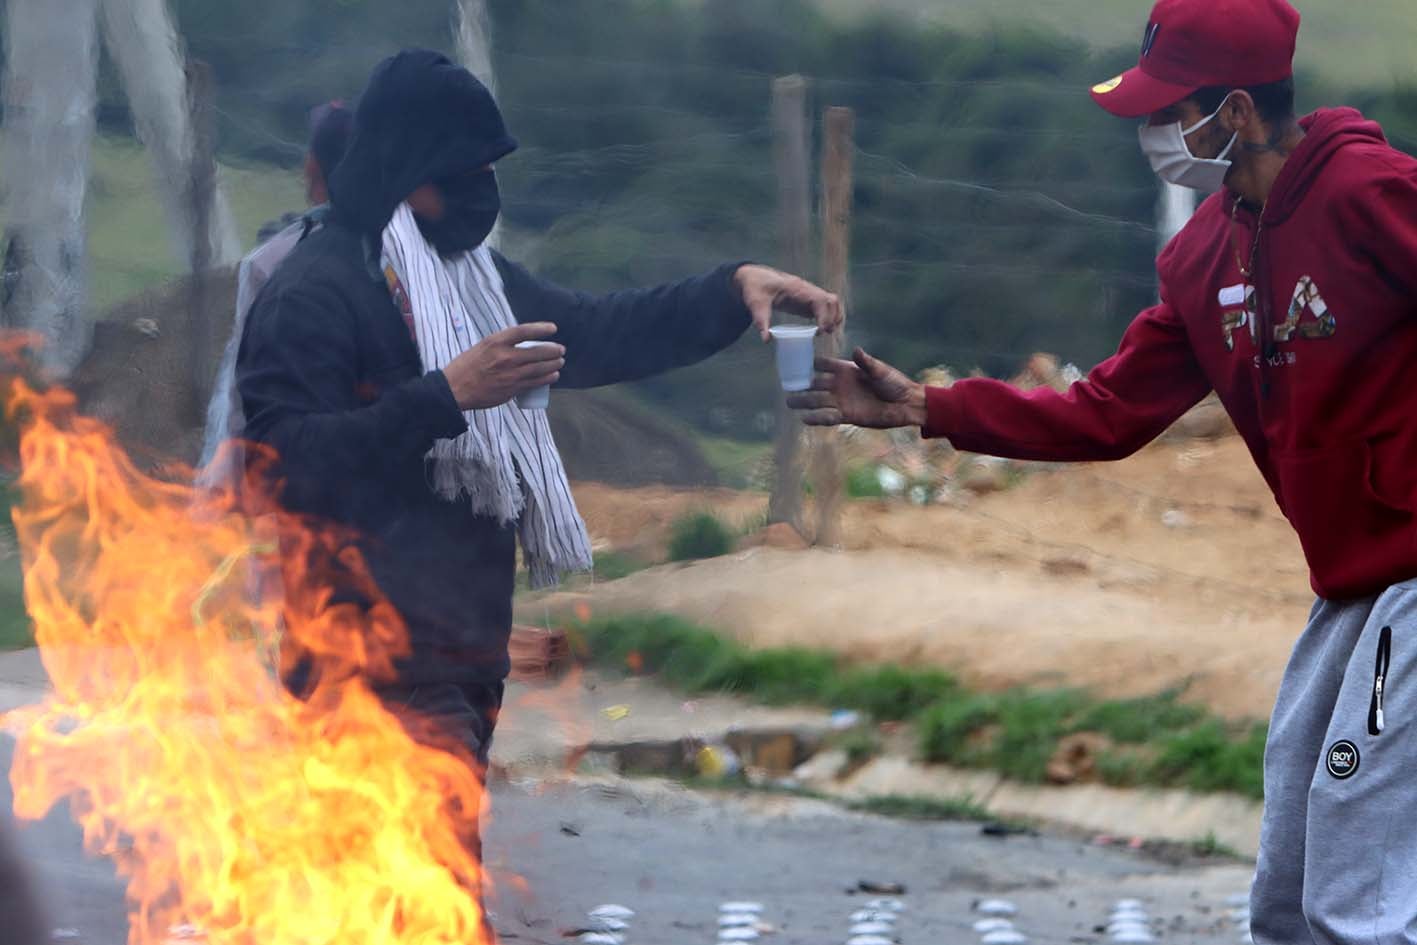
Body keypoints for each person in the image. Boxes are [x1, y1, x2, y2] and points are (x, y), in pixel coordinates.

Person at [790, 1, 1417, 940]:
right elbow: (1107, 410)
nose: (1151, 133)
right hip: (1351, 586)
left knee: (1353, 884)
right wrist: (925, 407)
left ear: (1236, 111)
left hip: (1412, 579)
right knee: (1288, 883)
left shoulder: (1370, 190)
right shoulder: (1200, 258)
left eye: (1169, 113)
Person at [235, 45, 839, 874]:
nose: (482, 189)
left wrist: (730, 290)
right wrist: (445, 395)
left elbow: (595, 330)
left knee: (414, 898)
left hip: (460, 652)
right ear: (405, 168)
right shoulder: (313, 293)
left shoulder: (470, 281)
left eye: (490, 169)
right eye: (464, 171)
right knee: (411, 898)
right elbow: (280, 467)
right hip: (361, 666)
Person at [199, 101, 354, 478]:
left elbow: (239, 392)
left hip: (292, 469)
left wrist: (218, 484)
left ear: (312, 168)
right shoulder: (414, 258)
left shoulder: (271, 263)